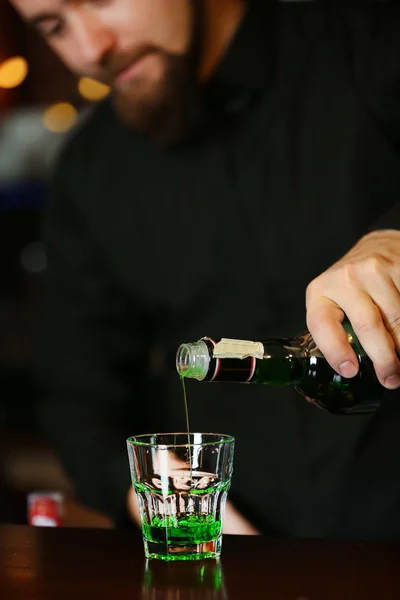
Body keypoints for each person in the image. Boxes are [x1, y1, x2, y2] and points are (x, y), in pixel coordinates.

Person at [10, 0, 400, 538]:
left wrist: (393, 235)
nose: (89, 48)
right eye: (54, 27)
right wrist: (138, 489)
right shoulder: (94, 170)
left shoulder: (369, 43)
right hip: (238, 557)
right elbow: (77, 391)